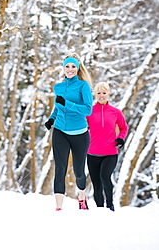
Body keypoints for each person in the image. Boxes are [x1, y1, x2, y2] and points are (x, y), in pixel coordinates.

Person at [45, 53, 93, 211]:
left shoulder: (83, 86)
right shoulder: (58, 87)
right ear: (63, 68)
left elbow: (88, 109)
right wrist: (52, 119)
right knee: (60, 168)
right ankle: (59, 207)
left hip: (80, 133)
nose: (70, 69)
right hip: (60, 131)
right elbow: (58, 107)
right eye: (67, 66)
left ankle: (81, 195)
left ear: (77, 68)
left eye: (73, 66)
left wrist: (68, 104)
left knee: (79, 171)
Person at [87, 82, 128, 211]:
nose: (101, 96)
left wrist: (120, 138)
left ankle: (110, 205)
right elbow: (81, 126)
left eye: (104, 93)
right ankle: (100, 209)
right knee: (96, 184)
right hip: (92, 153)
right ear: (95, 95)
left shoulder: (115, 112)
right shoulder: (89, 111)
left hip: (110, 152)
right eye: (98, 93)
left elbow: (123, 128)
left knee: (105, 177)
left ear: (108, 94)